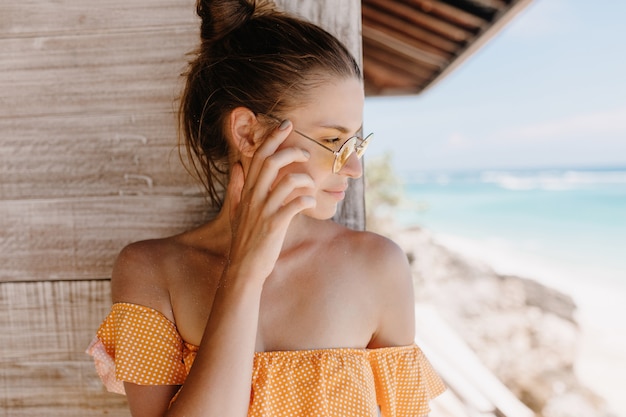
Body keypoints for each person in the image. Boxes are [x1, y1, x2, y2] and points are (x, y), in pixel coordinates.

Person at [87, 0, 446, 416]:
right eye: (333, 140)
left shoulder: (378, 266)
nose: (353, 167)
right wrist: (244, 273)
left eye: (355, 142)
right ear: (249, 132)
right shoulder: (151, 271)